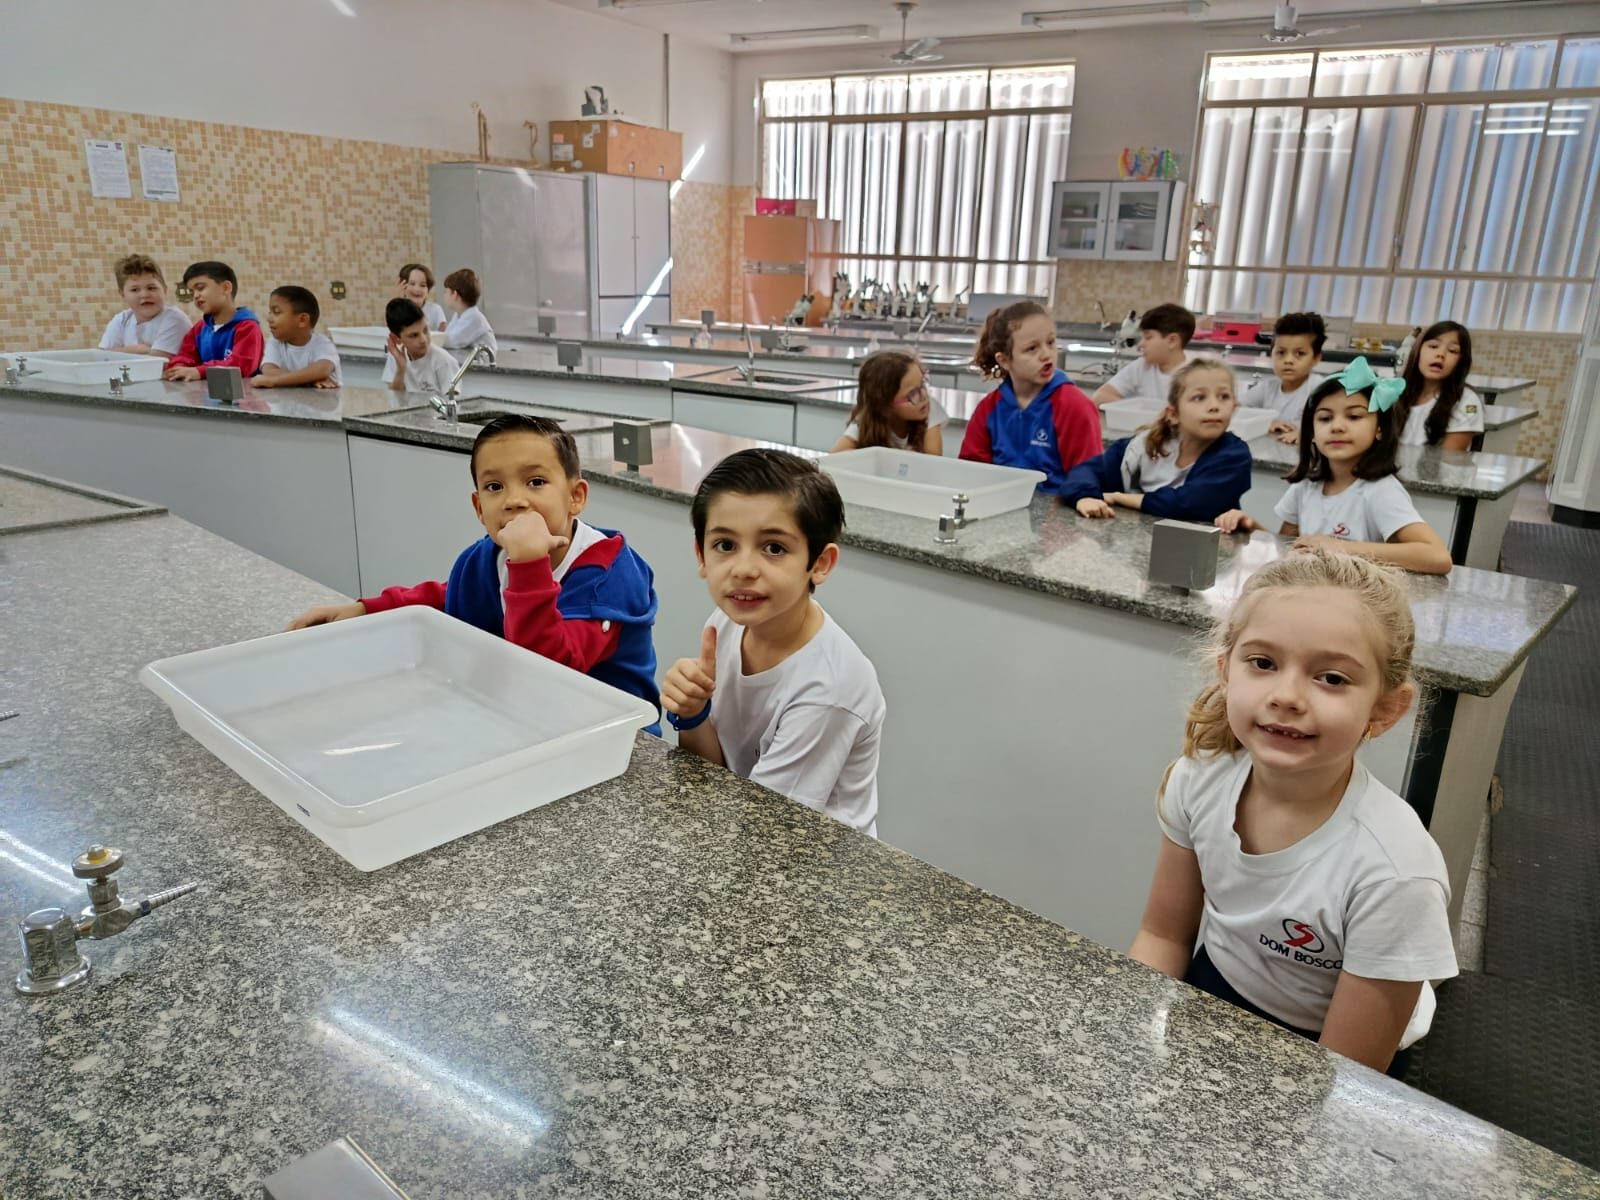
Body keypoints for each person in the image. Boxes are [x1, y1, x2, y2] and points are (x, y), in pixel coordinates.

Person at [1128, 549, 1458, 1076]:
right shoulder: (1197, 780)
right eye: (1263, 663)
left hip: (1332, 1044)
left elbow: (1346, 1073)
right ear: (1226, 672)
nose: (1286, 697)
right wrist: (1128, 1045)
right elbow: (1164, 937)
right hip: (1217, 984)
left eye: (1332, 678)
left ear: (1385, 709)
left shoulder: (1395, 873)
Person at [286, 414, 660, 724]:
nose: (515, 500)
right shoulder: (485, 558)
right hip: (523, 721)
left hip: (614, 743)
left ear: (575, 497)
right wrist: (365, 609)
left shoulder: (610, 576)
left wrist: (529, 565)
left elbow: (550, 674)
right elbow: (449, 598)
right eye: (495, 486)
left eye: (536, 482)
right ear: (479, 507)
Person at [661, 449, 885, 835]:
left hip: (810, 857)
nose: (744, 570)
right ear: (701, 555)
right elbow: (714, 775)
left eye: (774, 548)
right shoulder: (727, 624)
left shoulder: (829, 689)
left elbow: (765, 828)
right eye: (725, 545)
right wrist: (694, 714)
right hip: (745, 825)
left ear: (820, 563)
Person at [1214, 358, 1452, 575]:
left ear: (1379, 429)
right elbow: (1288, 550)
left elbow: (1437, 557)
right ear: (1312, 432)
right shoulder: (1306, 486)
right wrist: (1252, 528)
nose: (1337, 427)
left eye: (1354, 417)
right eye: (1325, 418)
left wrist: (1340, 547)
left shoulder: (1380, 491)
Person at [1061, 358, 1252, 522]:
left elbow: (1189, 504)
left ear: (1234, 407)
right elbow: (1086, 472)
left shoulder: (1234, 456)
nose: (1214, 406)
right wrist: (1085, 497)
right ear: (1173, 414)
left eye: (1224, 397)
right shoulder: (1143, 447)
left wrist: (1119, 498)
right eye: (1199, 398)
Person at [957, 300, 1101, 493]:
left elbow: (1087, 479)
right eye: (1032, 348)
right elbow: (970, 473)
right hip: (1000, 505)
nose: (1046, 354)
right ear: (1004, 360)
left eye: (1050, 342)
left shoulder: (1074, 406)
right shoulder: (989, 410)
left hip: (1058, 508)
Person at [163, 261, 264, 381]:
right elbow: (186, 355)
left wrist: (200, 371)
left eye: (200, 288)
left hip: (241, 392)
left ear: (226, 288)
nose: (195, 296)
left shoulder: (247, 326)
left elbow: (241, 365)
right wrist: (178, 368)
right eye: (191, 292)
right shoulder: (199, 328)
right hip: (204, 391)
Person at [831, 350, 946, 455]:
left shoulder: (928, 409)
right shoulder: (867, 420)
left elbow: (933, 459)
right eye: (912, 394)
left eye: (922, 383)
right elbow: (836, 454)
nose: (924, 396)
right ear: (885, 408)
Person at [1241, 311, 1325, 445]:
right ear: (1271, 355)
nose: (1288, 360)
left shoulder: (1320, 389)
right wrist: (1265, 423)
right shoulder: (1267, 388)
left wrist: (1308, 434)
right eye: (1281, 352)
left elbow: (1334, 422)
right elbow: (1235, 408)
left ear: (1316, 358)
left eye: (1300, 353)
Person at [1091, 303, 1195, 407]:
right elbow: (1100, 396)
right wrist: (1138, 409)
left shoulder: (1197, 373)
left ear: (1172, 341)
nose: (1141, 344)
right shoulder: (1141, 367)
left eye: (1148, 337)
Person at [1399, 321, 1479, 451]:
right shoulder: (1396, 391)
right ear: (1418, 350)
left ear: (1461, 361)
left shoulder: (1467, 401)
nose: (1440, 354)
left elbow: (1449, 458)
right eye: (1433, 346)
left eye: (1452, 351)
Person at [99, 254, 190, 359]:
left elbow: (158, 361)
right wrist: (138, 350)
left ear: (164, 290)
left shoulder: (174, 319)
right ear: (122, 294)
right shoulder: (122, 320)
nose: (145, 295)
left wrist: (118, 352)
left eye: (151, 288)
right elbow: (101, 356)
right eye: (135, 290)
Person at [256, 286, 341, 389]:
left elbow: (322, 370)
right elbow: (269, 371)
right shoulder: (274, 342)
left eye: (277, 312)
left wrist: (274, 381)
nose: (269, 318)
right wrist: (310, 381)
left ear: (302, 320)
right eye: (270, 312)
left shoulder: (322, 344)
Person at [382, 298, 460, 395]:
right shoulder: (396, 356)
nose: (423, 340)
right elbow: (394, 398)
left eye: (425, 330)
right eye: (414, 335)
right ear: (397, 339)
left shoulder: (443, 362)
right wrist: (401, 369)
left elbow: (452, 401)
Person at [442, 268, 497, 355]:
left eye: (446, 292)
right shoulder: (459, 315)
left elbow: (452, 341)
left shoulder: (475, 318)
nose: (444, 295)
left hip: (483, 362)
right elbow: (446, 336)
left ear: (455, 294)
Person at [398, 262, 447, 331]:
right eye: (412, 284)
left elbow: (444, 333)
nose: (417, 289)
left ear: (428, 290)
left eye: (423, 285)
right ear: (403, 286)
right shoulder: (398, 310)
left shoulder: (435, 309)